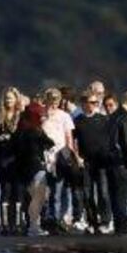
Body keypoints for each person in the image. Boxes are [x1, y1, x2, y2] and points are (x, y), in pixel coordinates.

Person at [73, 90, 113, 234]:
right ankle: (91, 222)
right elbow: (73, 141)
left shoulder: (103, 120)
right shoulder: (77, 121)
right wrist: (77, 157)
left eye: (96, 102)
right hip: (86, 162)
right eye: (91, 102)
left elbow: (110, 141)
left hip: (101, 162)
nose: (93, 105)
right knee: (87, 194)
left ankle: (106, 221)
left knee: (103, 192)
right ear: (83, 103)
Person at [42, 87, 82, 231]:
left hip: (60, 157)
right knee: (44, 191)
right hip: (44, 157)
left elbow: (68, 137)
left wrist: (72, 156)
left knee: (59, 190)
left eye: (56, 101)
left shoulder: (64, 116)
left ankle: (57, 219)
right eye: (51, 101)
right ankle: (47, 218)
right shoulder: (41, 115)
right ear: (45, 101)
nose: (53, 104)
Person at [15, 102, 54, 236]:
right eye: (40, 115)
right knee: (38, 197)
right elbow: (50, 143)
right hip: (37, 166)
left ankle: (30, 225)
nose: (42, 117)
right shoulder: (36, 131)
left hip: (23, 169)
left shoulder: (20, 130)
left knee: (29, 197)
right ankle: (34, 227)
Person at [105, 90, 127, 235]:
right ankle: (124, 228)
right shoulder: (125, 118)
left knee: (114, 196)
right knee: (123, 197)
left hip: (110, 162)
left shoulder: (112, 117)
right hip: (122, 162)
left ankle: (118, 228)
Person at [0, 86, 23, 235]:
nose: (9, 100)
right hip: (1, 157)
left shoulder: (21, 115)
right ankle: (5, 225)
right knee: (5, 189)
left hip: (17, 158)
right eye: (7, 98)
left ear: (16, 100)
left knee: (18, 190)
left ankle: (18, 224)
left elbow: (26, 135)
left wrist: (13, 138)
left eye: (11, 98)